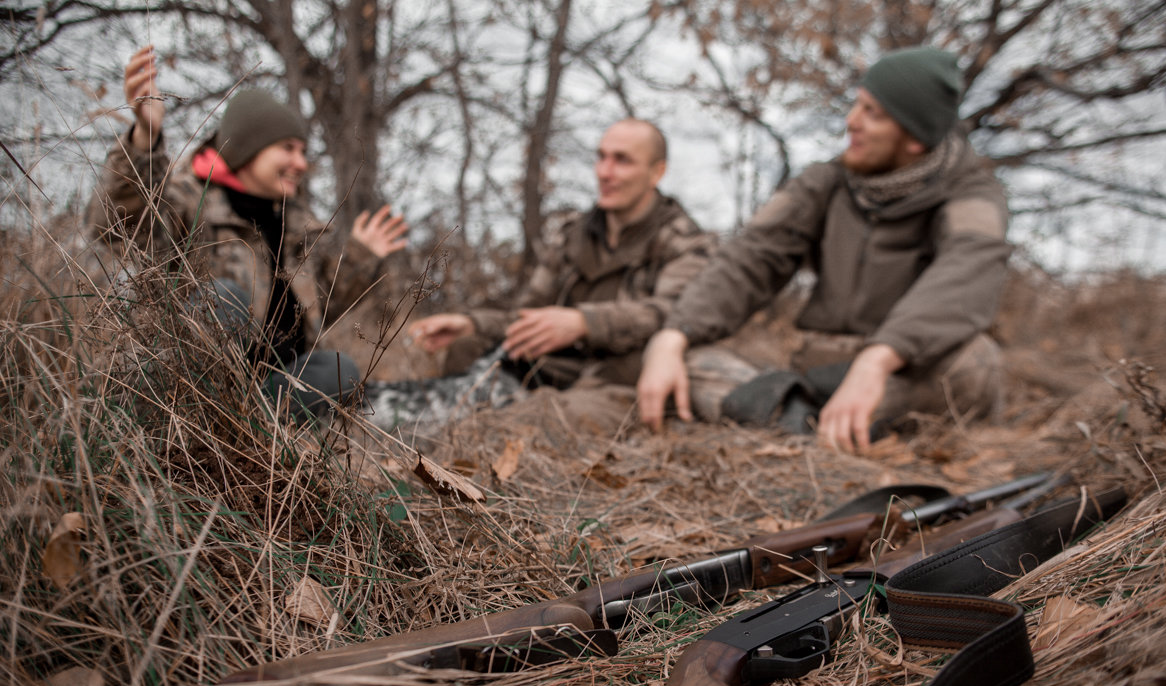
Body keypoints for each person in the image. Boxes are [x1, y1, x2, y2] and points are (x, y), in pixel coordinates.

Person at [637, 47, 1012, 452]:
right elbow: (749, 258)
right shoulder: (824, 182)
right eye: (857, 105)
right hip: (819, 369)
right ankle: (807, 421)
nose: (852, 122)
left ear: (916, 138)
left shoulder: (972, 192)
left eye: (874, 113)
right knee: (685, 360)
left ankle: (793, 422)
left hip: (903, 370)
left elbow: (967, 270)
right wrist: (675, 334)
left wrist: (880, 358)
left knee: (977, 362)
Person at [88, 44, 409, 418]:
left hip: (262, 389)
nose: (300, 163)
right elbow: (116, 226)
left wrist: (359, 255)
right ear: (247, 147)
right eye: (288, 149)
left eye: (304, 151)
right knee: (226, 298)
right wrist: (145, 138)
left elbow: (318, 304)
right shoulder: (190, 199)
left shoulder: (295, 221)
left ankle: (248, 432)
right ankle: (184, 425)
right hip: (184, 392)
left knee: (339, 371)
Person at [404, 119, 736, 415]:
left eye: (622, 160)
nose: (604, 172)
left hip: (623, 371)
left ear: (656, 172)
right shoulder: (569, 234)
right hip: (558, 364)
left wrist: (585, 323)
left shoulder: (688, 242)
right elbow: (528, 314)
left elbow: (674, 314)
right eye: (601, 157)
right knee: (467, 349)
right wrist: (470, 323)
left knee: (559, 411)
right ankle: (443, 436)